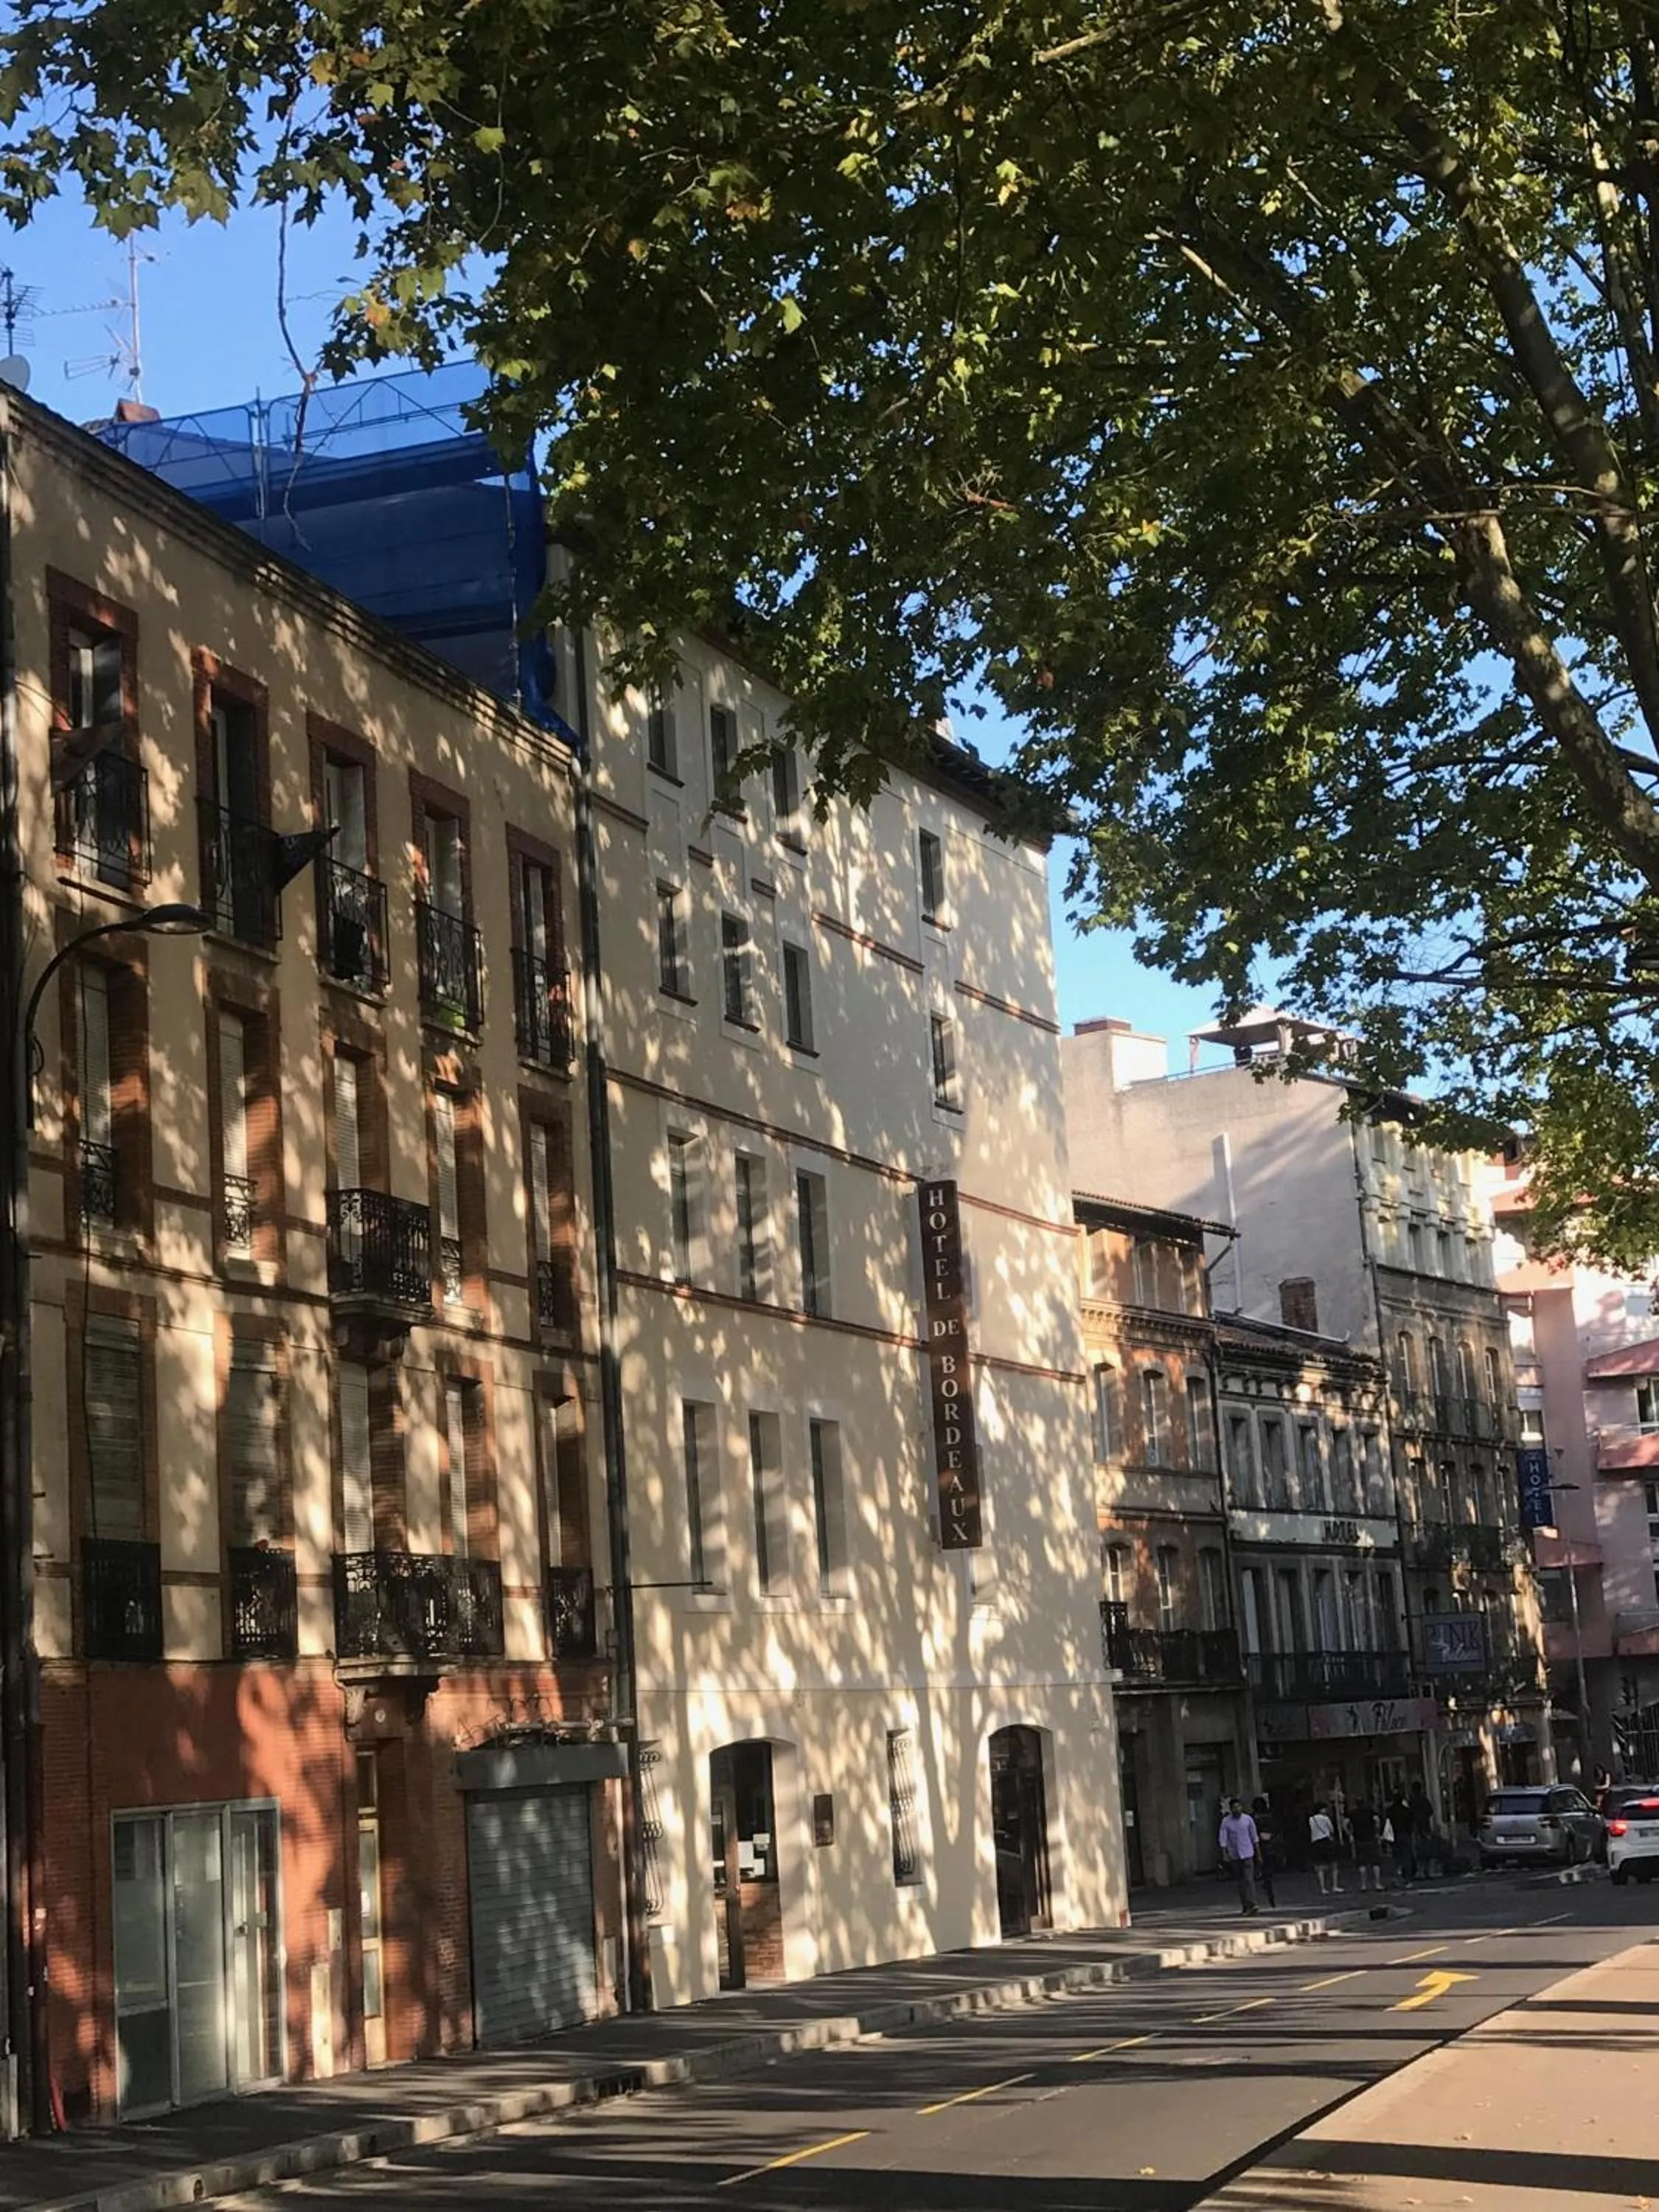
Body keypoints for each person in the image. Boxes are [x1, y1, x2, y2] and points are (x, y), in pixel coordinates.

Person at [1218, 1797, 1262, 1914]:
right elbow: (1223, 1839)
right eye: (1234, 1807)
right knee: (1241, 1882)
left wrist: (1258, 1854)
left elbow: (1254, 1837)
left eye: (1239, 1806)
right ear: (1231, 1809)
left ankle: (1253, 1904)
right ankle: (1245, 1905)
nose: (1237, 1809)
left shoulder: (1248, 1820)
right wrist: (1225, 1854)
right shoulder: (1226, 1822)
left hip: (1248, 1853)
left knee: (1249, 1879)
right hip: (1235, 1855)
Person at [1349, 1796, 1383, 1891]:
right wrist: (1377, 1831)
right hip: (1371, 1838)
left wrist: (1350, 1833)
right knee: (1375, 1862)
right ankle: (1377, 1884)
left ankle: (1364, 1885)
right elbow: (1377, 1821)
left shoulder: (1352, 1814)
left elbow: (1345, 1822)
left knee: (1362, 1863)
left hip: (1359, 1840)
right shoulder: (1370, 1812)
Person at [1251, 1795, 1279, 1907]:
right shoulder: (1270, 1816)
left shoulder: (1253, 1817)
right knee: (1269, 1863)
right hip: (1270, 1844)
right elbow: (1276, 1828)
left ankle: (1263, 1876)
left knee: (1261, 1862)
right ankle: (1267, 1878)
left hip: (1258, 1844)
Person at [1309, 1801, 1342, 1894]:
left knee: (1320, 1866)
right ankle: (1335, 1886)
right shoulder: (1325, 1818)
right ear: (1321, 1809)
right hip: (1326, 1841)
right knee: (1334, 1864)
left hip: (1316, 1843)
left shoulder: (1311, 1819)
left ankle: (1323, 1888)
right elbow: (1331, 1829)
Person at [1385, 1786, 1416, 1885]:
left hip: (1394, 1835)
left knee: (1395, 1858)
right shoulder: (1407, 1811)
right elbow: (1412, 1822)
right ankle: (1408, 1879)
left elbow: (1387, 1824)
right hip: (1405, 1834)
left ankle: (1396, 1878)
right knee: (1407, 1857)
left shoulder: (1390, 1811)